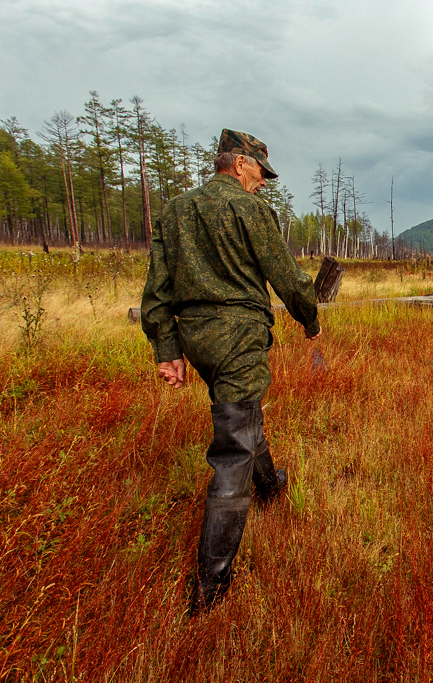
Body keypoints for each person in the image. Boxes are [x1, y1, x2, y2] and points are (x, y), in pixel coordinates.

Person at [141, 128, 321, 615]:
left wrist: (168, 347)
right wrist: (310, 318)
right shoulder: (250, 209)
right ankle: (209, 590)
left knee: (238, 414)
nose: (263, 182)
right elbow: (285, 275)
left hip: (196, 340)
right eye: (262, 171)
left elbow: (157, 289)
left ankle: (269, 486)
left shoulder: (176, 209)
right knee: (233, 448)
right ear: (240, 163)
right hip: (238, 338)